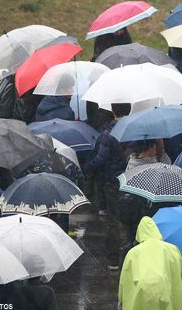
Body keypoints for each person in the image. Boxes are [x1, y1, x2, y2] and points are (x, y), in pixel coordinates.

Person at [82, 102, 130, 269]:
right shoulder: (135, 130)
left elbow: (101, 159)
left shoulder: (108, 134)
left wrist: (85, 169)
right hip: (133, 179)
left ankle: (113, 259)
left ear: (113, 111)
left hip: (113, 182)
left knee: (113, 220)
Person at [118, 216, 182, 310]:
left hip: (140, 299)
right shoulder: (172, 249)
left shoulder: (132, 253)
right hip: (167, 295)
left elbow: (125, 282)